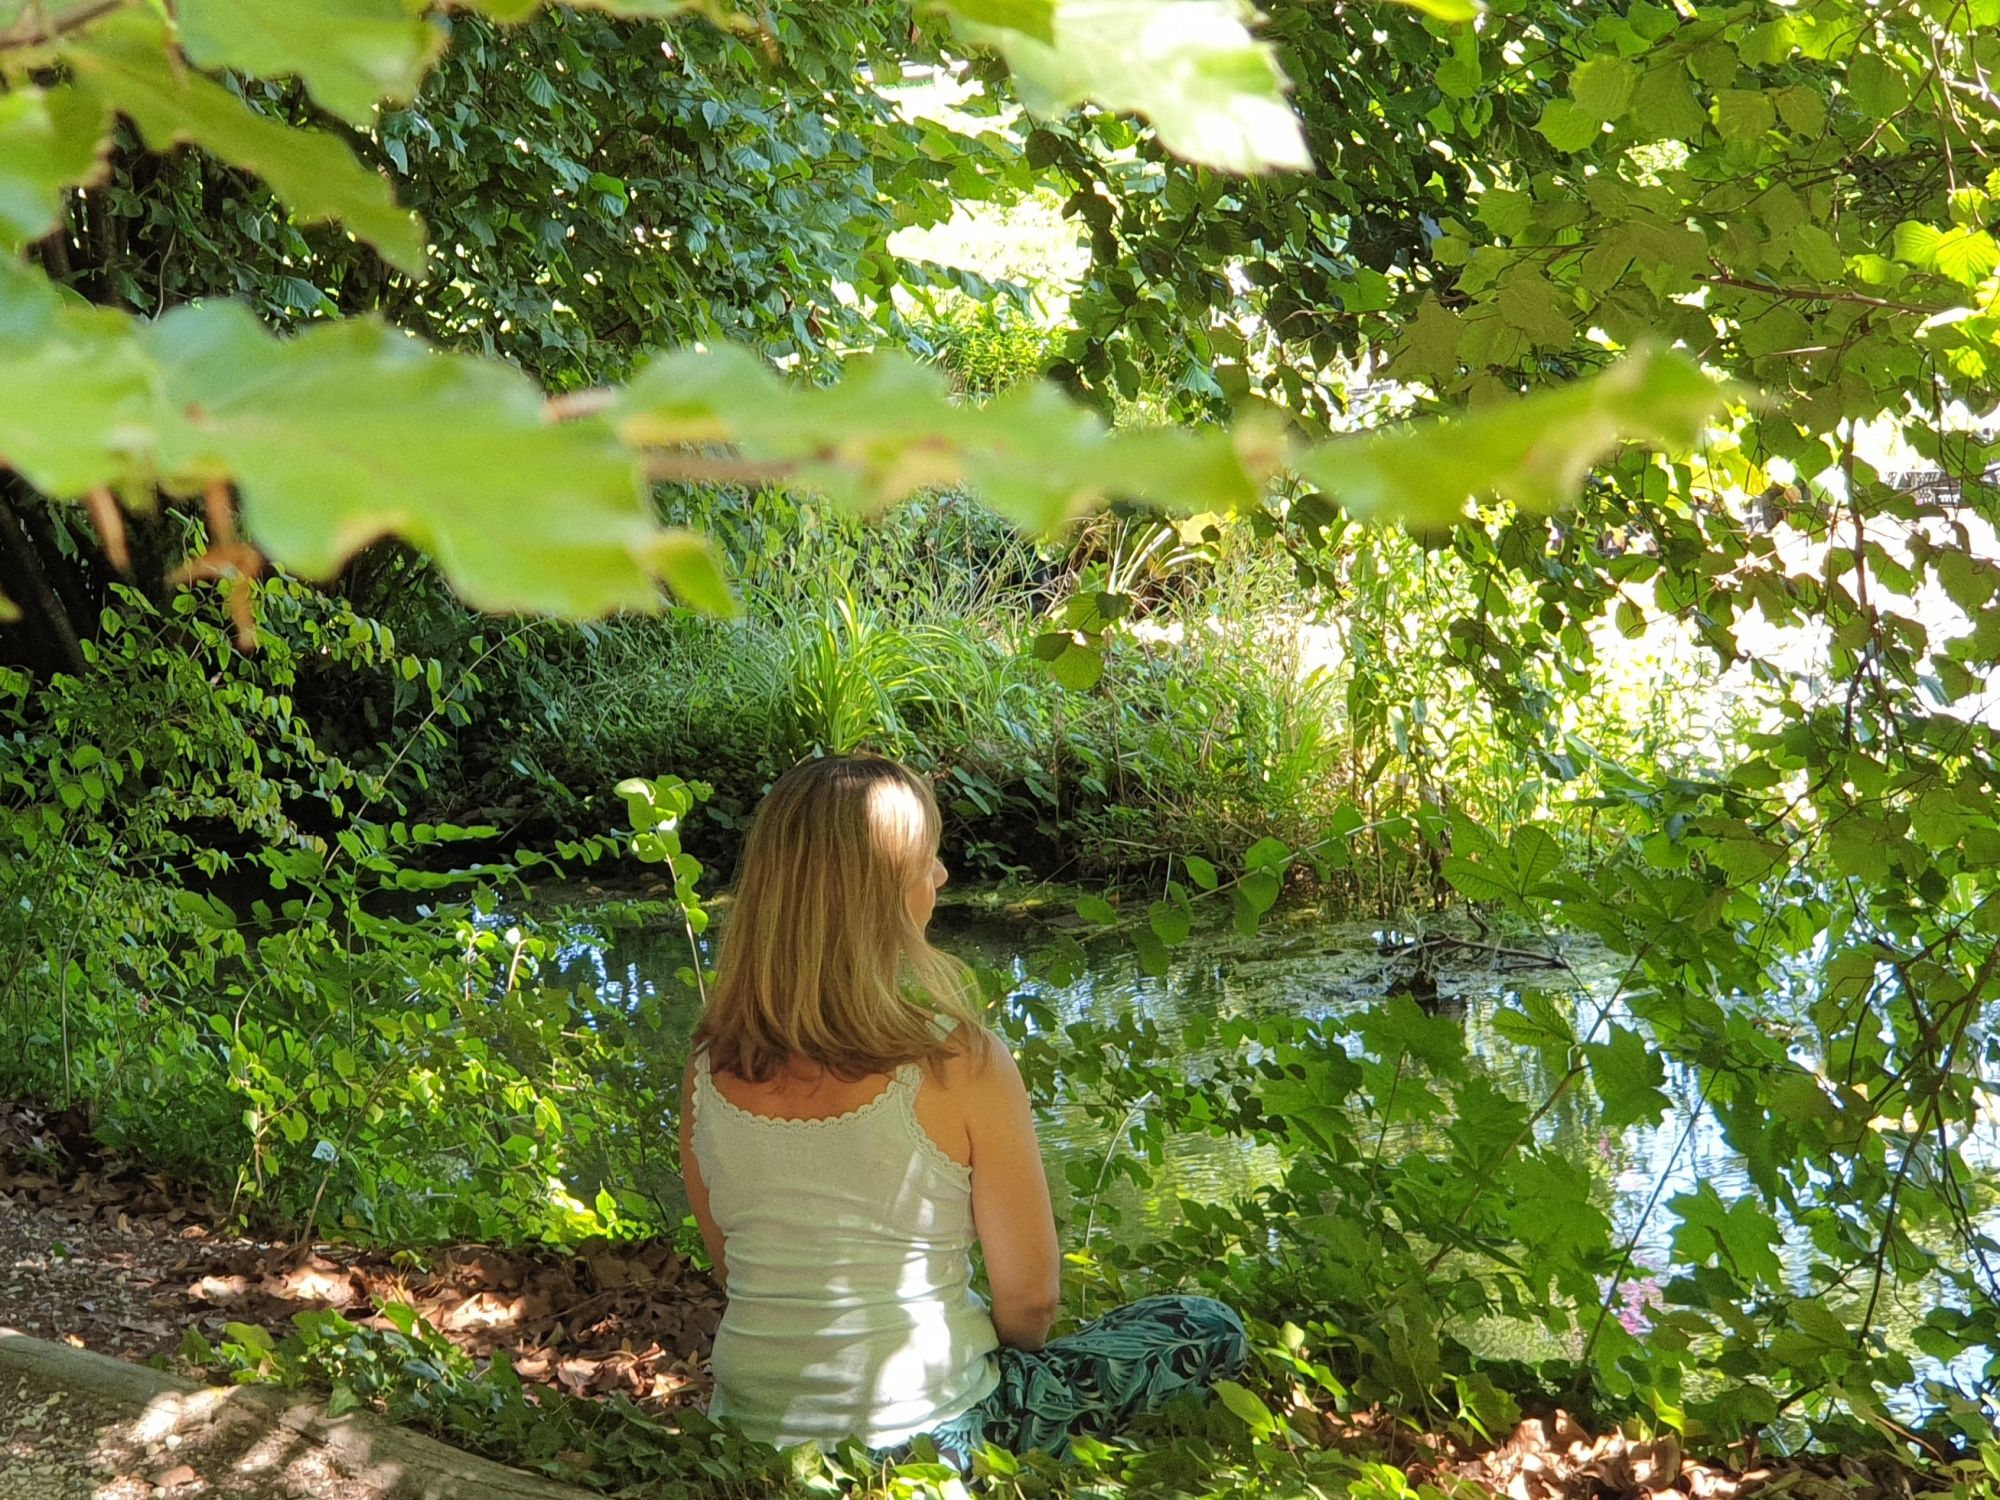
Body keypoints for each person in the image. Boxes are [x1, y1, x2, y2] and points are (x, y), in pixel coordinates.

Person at [678, 754, 1247, 1463]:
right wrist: (992, 1366)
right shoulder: (958, 1061)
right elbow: (1031, 1305)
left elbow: (735, 1269)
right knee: (1204, 1325)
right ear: (880, 891)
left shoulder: (709, 1063)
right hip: (929, 1436)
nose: (942, 876)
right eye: (928, 859)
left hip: (750, 1436)